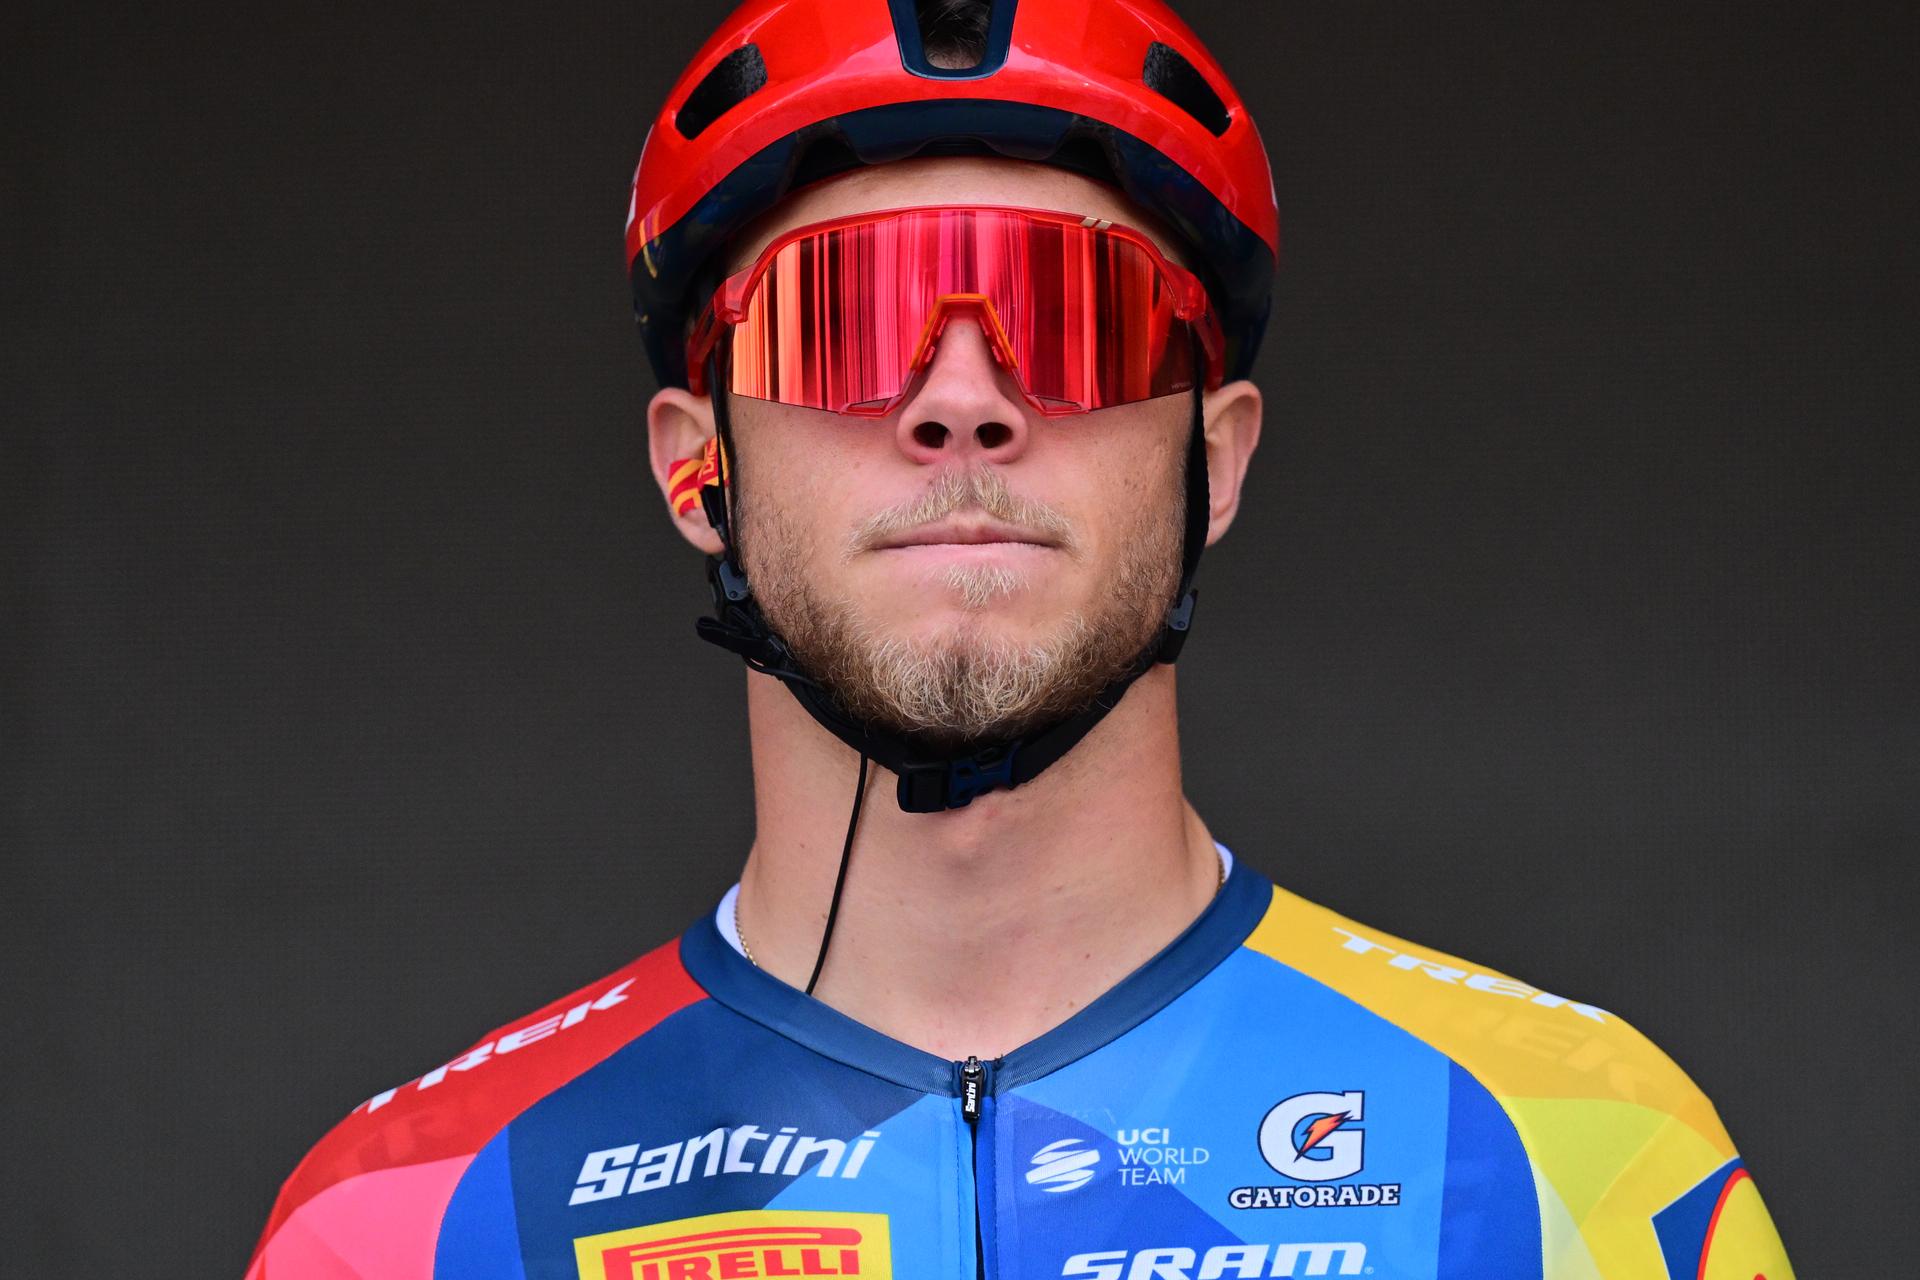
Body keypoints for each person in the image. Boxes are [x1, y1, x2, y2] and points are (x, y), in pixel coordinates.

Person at [247, 2, 1794, 1277]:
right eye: (842, 318)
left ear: (1219, 459)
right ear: (691, 466)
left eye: (1079, 317)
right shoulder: (400, 1225)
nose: (963, 400)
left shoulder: (1585, 1169)